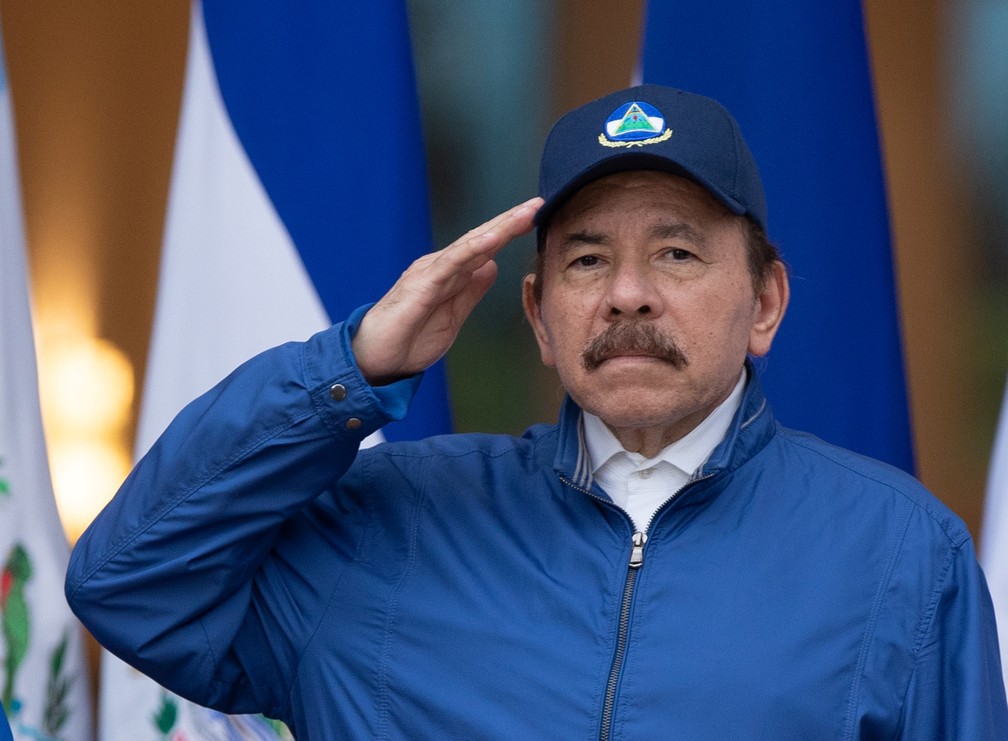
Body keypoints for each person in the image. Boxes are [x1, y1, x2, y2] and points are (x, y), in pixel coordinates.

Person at [66, 84, 1007, 739]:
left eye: (677, 253)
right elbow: (128, 582)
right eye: (588, 259)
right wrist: (345, 369)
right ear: (540, 318)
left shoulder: (902, 554)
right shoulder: (381, 522)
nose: (629, 294)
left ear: (764, 302)